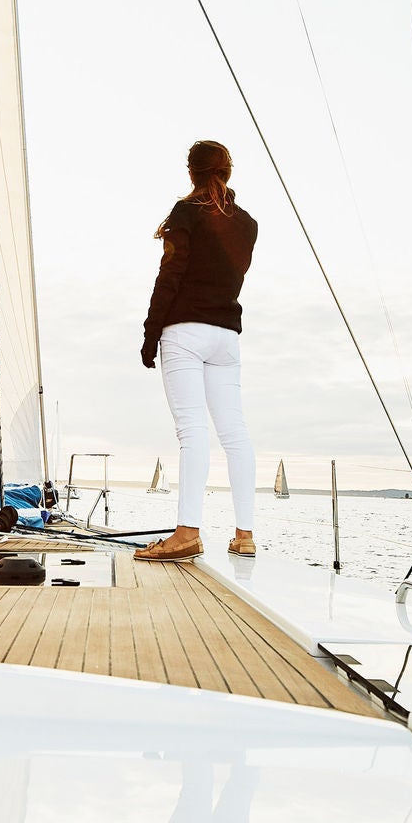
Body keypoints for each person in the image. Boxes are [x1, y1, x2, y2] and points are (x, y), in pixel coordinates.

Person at [136, 140, 259, 562]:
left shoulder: (185, 213)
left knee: (192, 432)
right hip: (227, 336)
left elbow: (170, 275)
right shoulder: (248, 224)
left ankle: (187, 533)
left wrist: (151, 333)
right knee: (235, 433)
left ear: (191, 172)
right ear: (227, 172)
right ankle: (244, 535)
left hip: (185, 331)